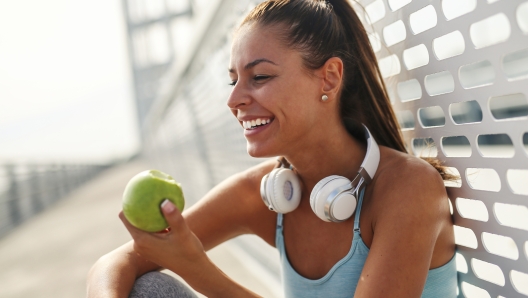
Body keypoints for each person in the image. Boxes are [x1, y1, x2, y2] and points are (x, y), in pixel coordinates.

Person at [87, 0, 457, 297]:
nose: (233, 100)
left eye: (259, 77)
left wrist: (198, 271)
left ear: (328, 77)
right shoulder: (263, 194)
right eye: (233, 81)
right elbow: (112, 265)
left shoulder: (409, 188)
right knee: (146, 288)